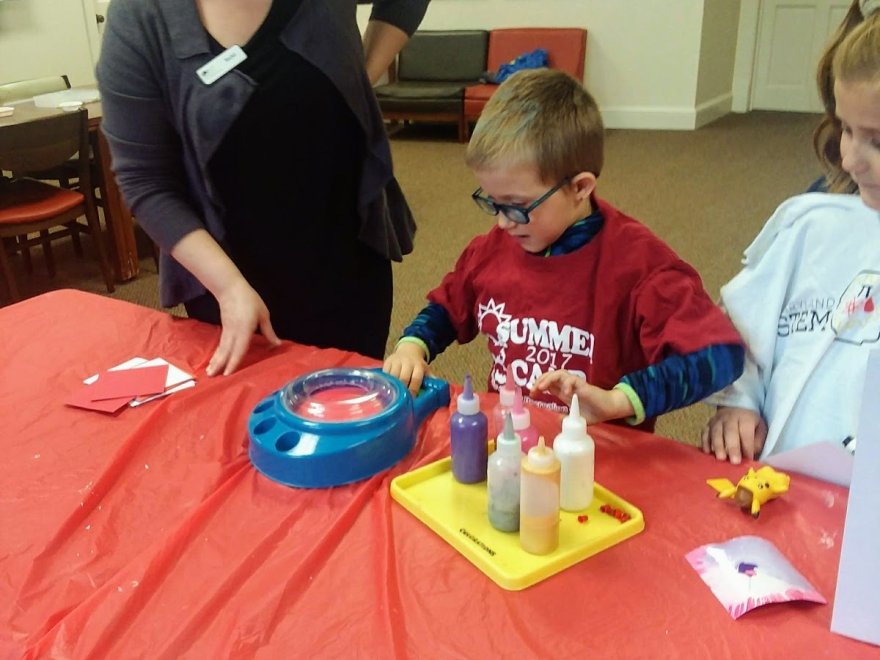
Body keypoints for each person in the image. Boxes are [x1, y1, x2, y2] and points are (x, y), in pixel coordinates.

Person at [383, 68, 744, 430]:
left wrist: (616, 400)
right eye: (492, 202)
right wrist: (413, 346)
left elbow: (719, 355)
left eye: (517, 205)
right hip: (510, 444)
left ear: (581, 187)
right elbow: (448, 307)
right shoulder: (494, 249)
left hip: (595, 459)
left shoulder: (640, 267)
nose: (503, 223)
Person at [96, 0, 429, 376]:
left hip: (348, 271)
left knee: (348, 415)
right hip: (229, 292)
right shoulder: (142, 16)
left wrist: (362, 71)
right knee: (247, 424)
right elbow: (145, 181)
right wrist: (229, 288)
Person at [700, 0, 880, 463]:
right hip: (783, 481)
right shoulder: (814, 220)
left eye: (878, 140)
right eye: (845, 129)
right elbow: (748, 324)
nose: (850, 160)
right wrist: (739, 401)